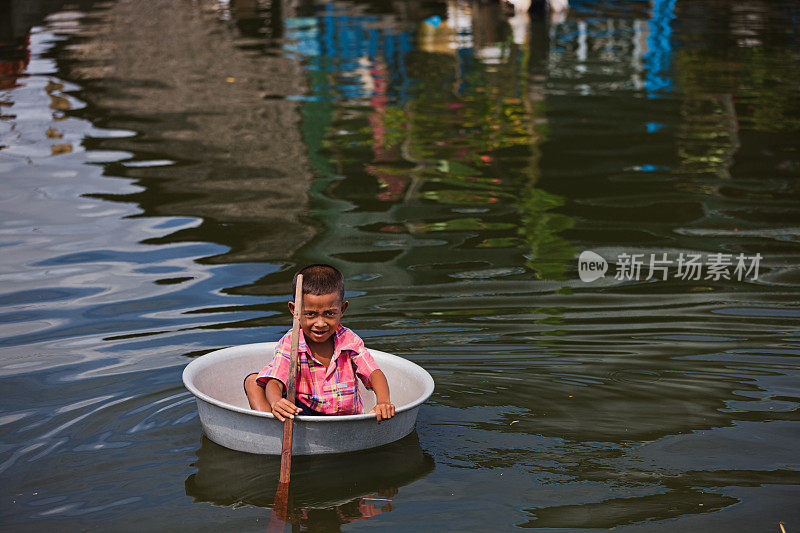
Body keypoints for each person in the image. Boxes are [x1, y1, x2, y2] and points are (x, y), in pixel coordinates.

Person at [244, 264, 395, 422]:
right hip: (302, 414)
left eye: (329, 313)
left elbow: (374, 373)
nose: (321, 323)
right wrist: (276, 402)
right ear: (294, 310)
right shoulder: (292, 342)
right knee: (254, 381)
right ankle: (270, 426)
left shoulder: (349, 341)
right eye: (311, 314)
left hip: (346, 420)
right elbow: (276, 381)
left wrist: (383, 402)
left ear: (342, 309)